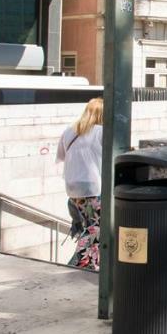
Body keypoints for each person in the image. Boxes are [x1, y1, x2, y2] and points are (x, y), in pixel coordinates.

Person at [57, 98, 104, 270]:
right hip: (93, 187)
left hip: (73, 188)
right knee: (96, 228)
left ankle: (93, 263)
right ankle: (78, 263)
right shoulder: (100, 131)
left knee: (91, 226)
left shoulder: (70, 131)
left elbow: (61, 156)